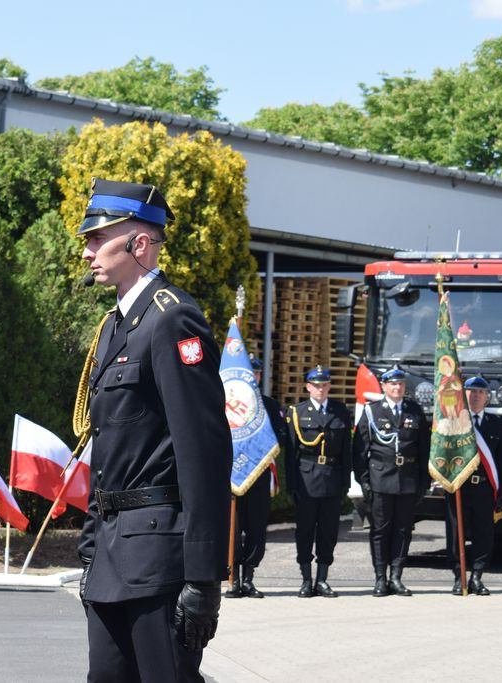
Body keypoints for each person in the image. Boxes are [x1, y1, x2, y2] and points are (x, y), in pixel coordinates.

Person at [74, 178, 231, 682]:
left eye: (98, 239)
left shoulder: (172, 320)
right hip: (111, 555)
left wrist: (203, 576)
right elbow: (111, 451)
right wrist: (91, 544)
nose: (87, 252)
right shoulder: (116, 326)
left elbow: (203, 451)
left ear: (139, 245)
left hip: (160, 560)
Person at [353, 365, 430, 597]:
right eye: (393, 384)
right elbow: (359, 451)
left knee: (403, 530)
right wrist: (364, 481)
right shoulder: (372, 411)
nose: (397, 387)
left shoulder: (414, 411)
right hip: (380, 479)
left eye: (401, 384)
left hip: (407, 480)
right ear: (384, 386)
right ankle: (380, 578)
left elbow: (424, 449)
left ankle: (396, 576)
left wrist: (423, 482)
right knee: (380, 530)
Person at [286, 365, 351, 598]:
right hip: (306, 479)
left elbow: (346, 450)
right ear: (308, 387)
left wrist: (345, 481)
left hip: (332, 478)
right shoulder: (297, 412)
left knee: (328, 532)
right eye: (316, 385)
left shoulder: (340, 411)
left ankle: (322, 579)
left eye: (324, 385)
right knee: (304, 531)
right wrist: (291, 485)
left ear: (329, 386)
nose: (320, 389)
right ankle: (306, 579)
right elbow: (291, 454)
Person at [225, 355, 286, 599]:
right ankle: (233, 579)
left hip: (258, 476)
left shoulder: (270, 406)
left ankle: (249, 578)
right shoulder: (225, 404)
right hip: (231, 476)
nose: (254, 376)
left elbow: (279, 440)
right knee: (233, 527)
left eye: (257, 372)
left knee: (256, 529)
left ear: (259, 376)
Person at [445, 375, 502, 595]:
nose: (476, 396)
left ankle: (478, 576)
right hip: (460, 488)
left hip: (484, 488)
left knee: (484, 533)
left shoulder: (497, 425)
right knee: (456, 533)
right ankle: (458, 576)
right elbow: (444, 456)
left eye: (480, 392)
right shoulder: (454, 423)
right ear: (465, 395)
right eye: (471, 392)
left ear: (487, 397)